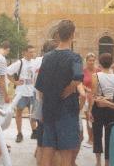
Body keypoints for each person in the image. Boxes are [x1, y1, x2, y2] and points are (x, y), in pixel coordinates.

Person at [35, 19, 83, 166]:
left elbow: (40, 86)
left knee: (47, 150)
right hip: (67, 111)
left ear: (58, 34)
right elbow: (78, 77)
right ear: (72, 34)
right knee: (66, 155)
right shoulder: (75, 58)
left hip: (49, 109)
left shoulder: (47, 57)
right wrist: (69, 89)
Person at [89, 53, 114, 166]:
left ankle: (98, 162)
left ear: (100, 63)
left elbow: (93, 94)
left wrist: (91, 110)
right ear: (111, 63)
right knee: (109, 136)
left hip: (98, 107)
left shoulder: (96, 76)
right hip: (111, 108)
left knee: (97, 135)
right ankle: (107, 162)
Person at [33, 40, 58, 166]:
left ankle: (39, 157)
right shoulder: (49, 63)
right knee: (49, 142)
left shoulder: (36, 62)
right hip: (46, 105)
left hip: (39, 102)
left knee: (41, 141)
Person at [7, 45, 37, 143]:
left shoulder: (35, 62)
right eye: (30, 52)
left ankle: (34, 131)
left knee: (33, 114)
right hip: (21, 93)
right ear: (24, 52)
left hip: (32, 92)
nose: (32, 54)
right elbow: (7, 72)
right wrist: (15, 82)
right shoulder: (19, 63)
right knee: (19, 113)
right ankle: (19, 133)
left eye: (33, 52)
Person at [83, 52, 100, 147]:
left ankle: (96, 138)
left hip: (96, 97)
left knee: (96, 119)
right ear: (86, 61)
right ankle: (90, 138)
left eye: (93, 60)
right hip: (86, 97)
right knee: (88, 118)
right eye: (90, 60)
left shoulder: (99, 71)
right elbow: (81, 84)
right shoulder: (83, 71)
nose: (92, 62)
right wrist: (87, 89)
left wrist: (94, 91)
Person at [0, 41, 11, 105]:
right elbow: (1, 79)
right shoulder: (1, 59)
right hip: (0, 93)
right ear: (7, 49)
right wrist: (6, 95)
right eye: (8, 51)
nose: (8, 53)